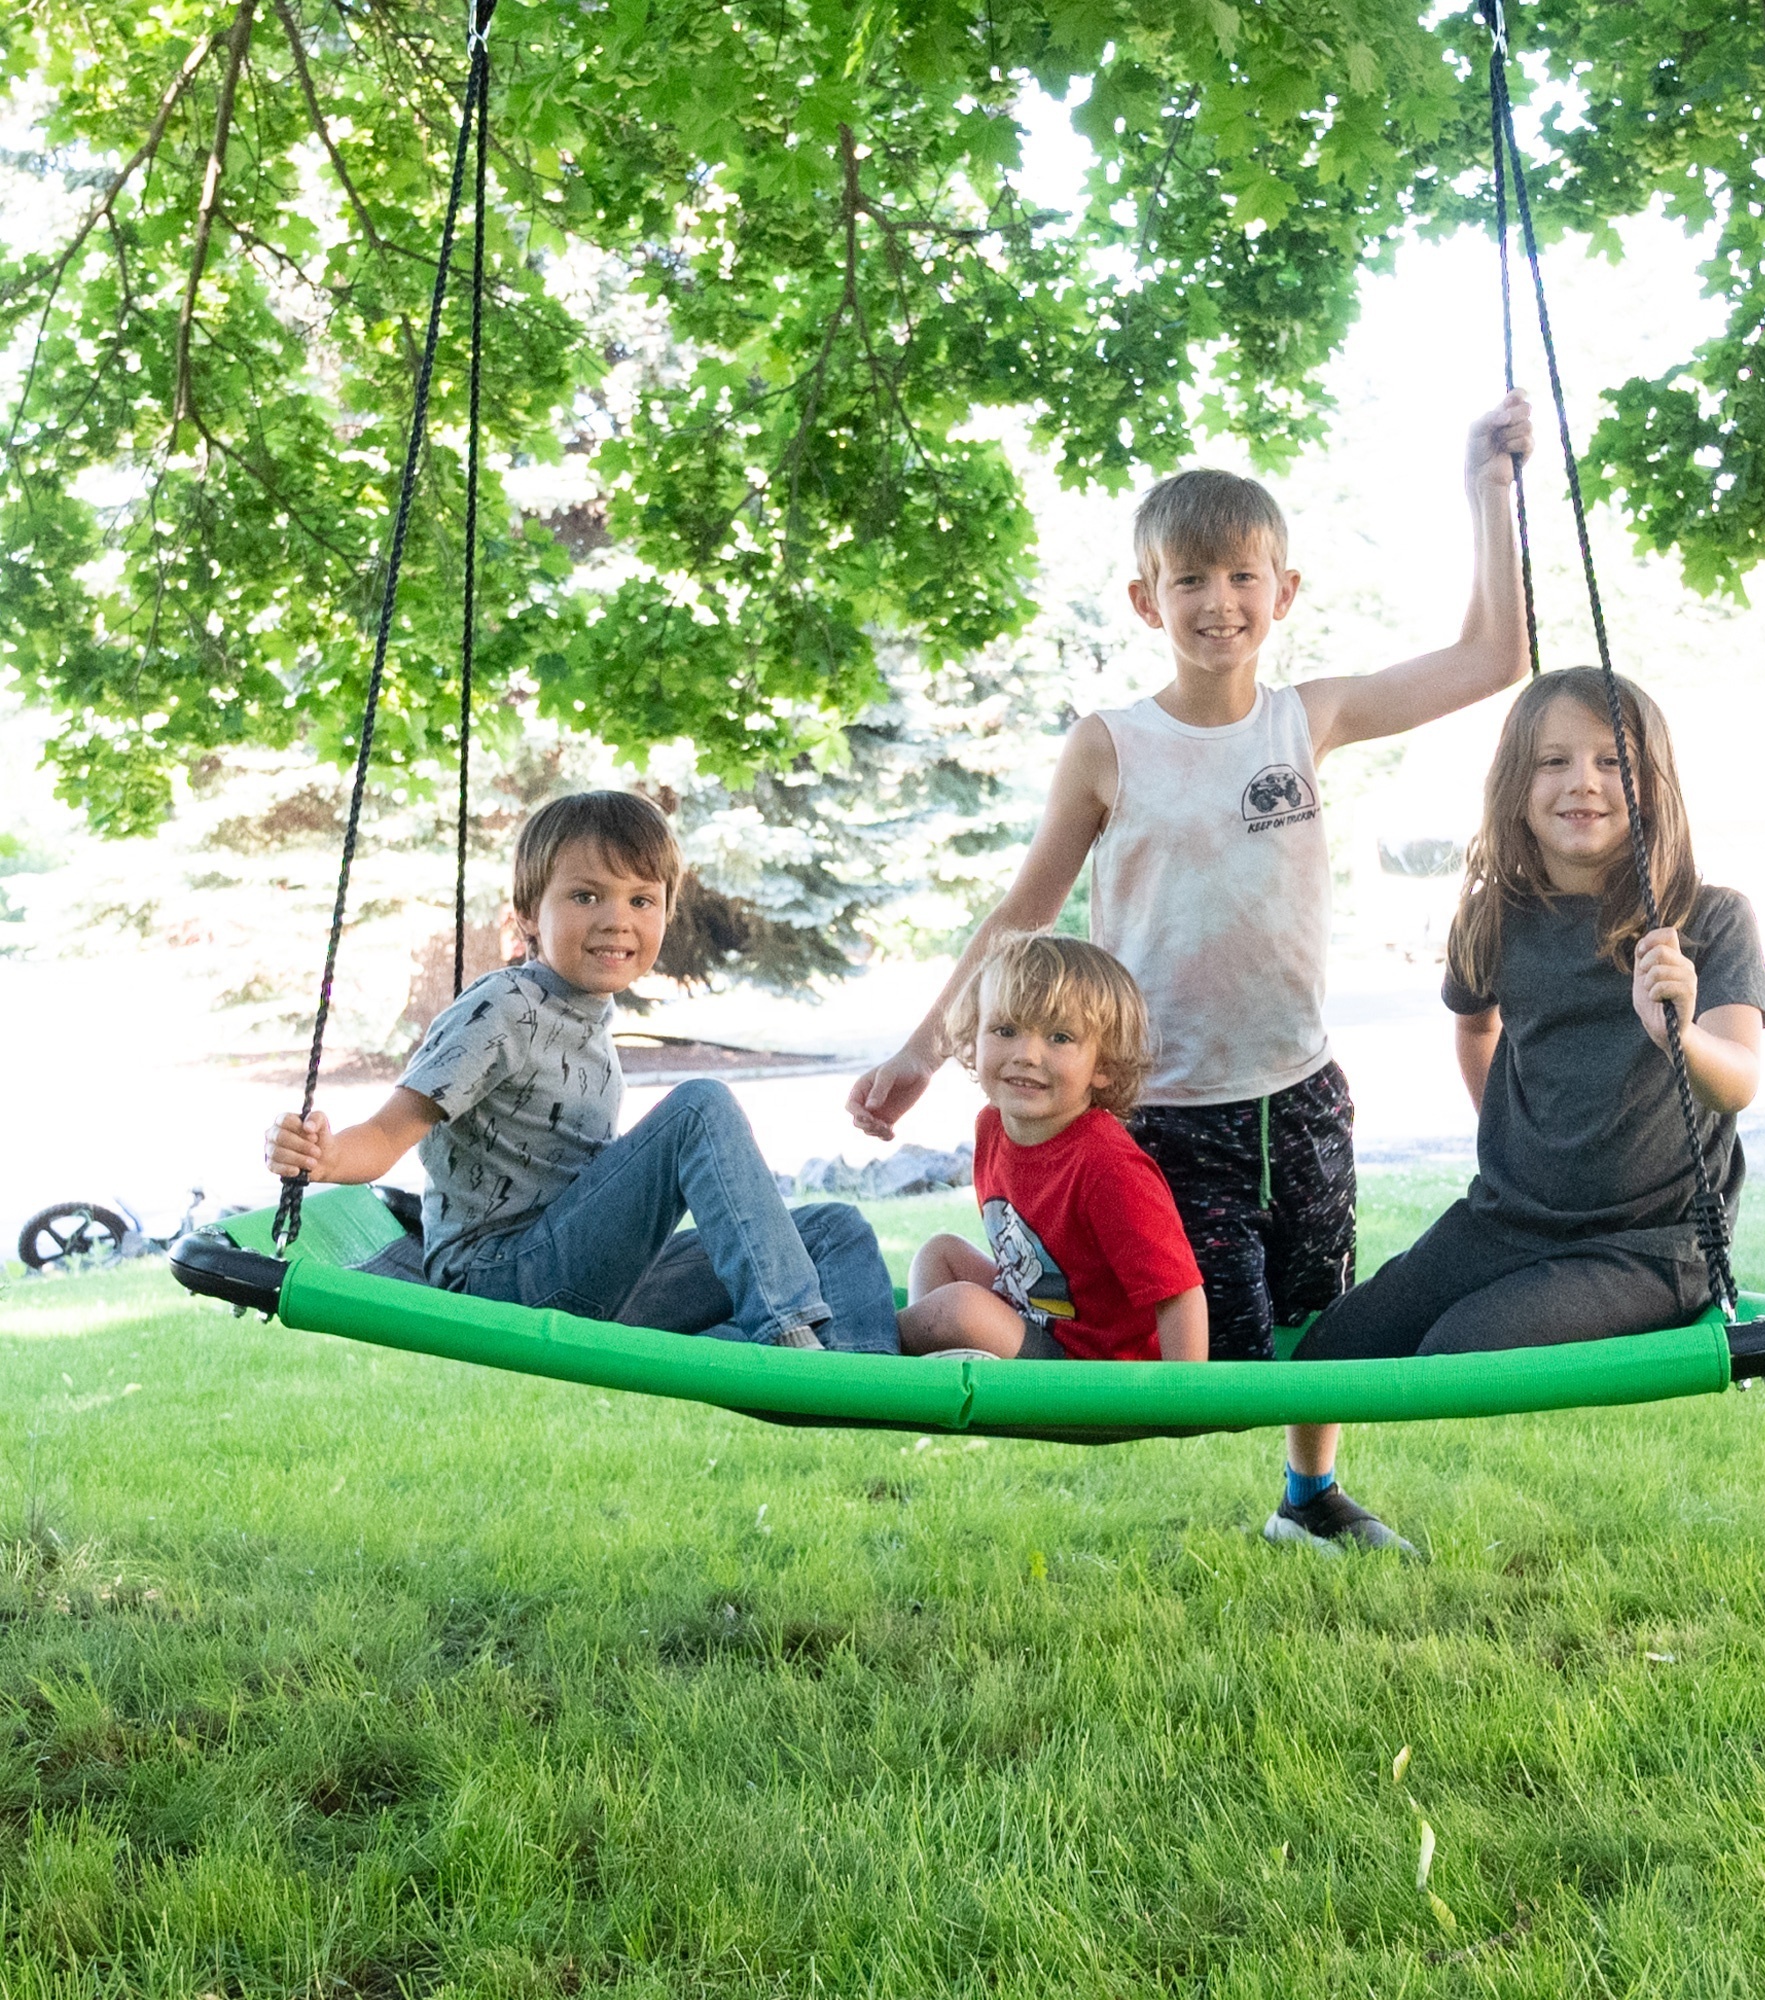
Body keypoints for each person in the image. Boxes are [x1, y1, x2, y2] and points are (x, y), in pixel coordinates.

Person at [849, 393, 1535, 1553]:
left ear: (1282, 591)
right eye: (1188, 580)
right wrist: (922, 1048)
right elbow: (1023, 911)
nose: (1217, 602)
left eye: (1240, 577)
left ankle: (1308, 1496)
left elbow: (1493, 658)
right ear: (1143, 598)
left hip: (1298, 1087)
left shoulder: (1306, 719)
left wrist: (1489, 486)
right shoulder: (1109, 743)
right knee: (1201, 1348)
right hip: (1165, 1102)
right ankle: (1015, 1332)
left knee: (1321, 1313)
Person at [264, 790, 899, 1352]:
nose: (617, 918)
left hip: (586, 1272)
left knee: (831, 1228)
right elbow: (386, 1135)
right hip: (501, 1281)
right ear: (526, 917)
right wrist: (320, 1157)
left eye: (641, 899)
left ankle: (866, 1370)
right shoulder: (503, 1007)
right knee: (699, 1107)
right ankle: (789, 1337)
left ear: (665, 914)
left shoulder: (589, 1009)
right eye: (585, 895)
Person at [1294, 667, 1765, 1365]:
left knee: (1462, 1348)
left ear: (1654, 788)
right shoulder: (1494, 917)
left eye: (1614, 762)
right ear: (1516, 788)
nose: (1584, 781)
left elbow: (1739, 1082)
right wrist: (1515, 1135)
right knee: (1338, 1342)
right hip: (1506, 1220)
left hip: (1650, 1245)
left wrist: (1679, 1036)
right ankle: (1310, 1480)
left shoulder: (1708, 919)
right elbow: (1474, 1024)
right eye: (1555, 761)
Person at [898, 932, 1207, 1361]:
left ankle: (861, 1348)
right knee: (940, 1254)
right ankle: (941, 1370)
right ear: (973, 1039)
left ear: (1103, 1066)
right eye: (1005, 1030)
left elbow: (1179, 1292)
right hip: (1038, 1321)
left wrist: (1181, 1398)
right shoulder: (992, 1126)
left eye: (1059, 1037)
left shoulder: (1107, 1166)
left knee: (961, 1309)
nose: (1026, 1054)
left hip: (1091, 1368)